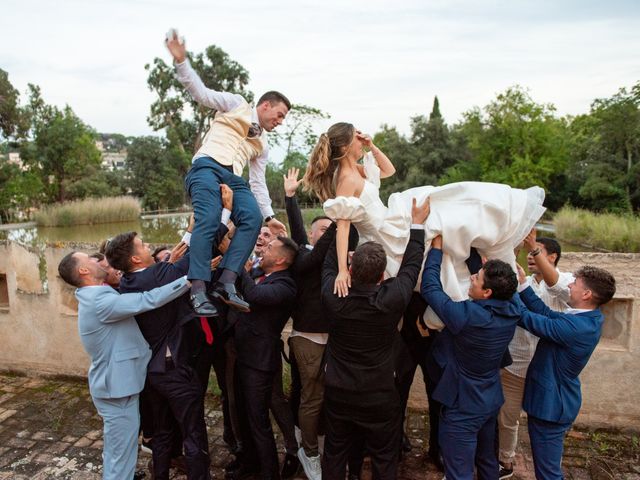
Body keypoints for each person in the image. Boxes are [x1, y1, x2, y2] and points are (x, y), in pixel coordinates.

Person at [302, 123, 545, 325]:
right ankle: (493, 233)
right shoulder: (345, 178)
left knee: (439, 200)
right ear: (345, 146)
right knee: (439, 214)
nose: (360, 139)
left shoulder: (355, 170)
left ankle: (496, 218)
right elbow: (343, 227)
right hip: (383, 235)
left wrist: (371, 146)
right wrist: (344, 270)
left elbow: (388, 170)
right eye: (356, 137)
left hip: (389, 219)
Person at [165, 29, 289, 316]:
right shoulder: (237, 104)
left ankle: (227, 282)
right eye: (279, 114)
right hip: (207, 166)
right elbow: (202, 94)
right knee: (207, 218)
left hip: (233, 179)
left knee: (252, 218)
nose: (280, 121)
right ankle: (197, 288)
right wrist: (182, 62)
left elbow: (257, 183)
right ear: (265, 105)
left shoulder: (264, 144)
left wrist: (270, 217)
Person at [320, 197, 429, 480]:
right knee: (383, 456)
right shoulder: (392, 300)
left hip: (338, 391)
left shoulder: (334, 296)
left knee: (334, 451)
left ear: (351, 271)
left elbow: (330, 262)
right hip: (379, 394)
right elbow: (411, 266)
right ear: (383, 275)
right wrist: (417, 225)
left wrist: (342, 221)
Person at [57, 251, 190, 480]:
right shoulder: (99, 300)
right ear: (83, 270)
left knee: (118, 452)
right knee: (122, 457)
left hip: (117, 385)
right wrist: (190, 279)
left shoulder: (94, 293)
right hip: (116, 388)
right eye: (90, 260)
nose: (98, 261)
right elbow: (148, 299)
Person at [107, 231, 212, 480]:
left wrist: (187, 233)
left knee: (163, 433)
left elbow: (167, 267)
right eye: (143, 246)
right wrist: (221, 215)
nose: (148, 247)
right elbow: (202, 248)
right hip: (173, 370)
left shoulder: (126, 283)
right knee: (193, 433)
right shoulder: (160, 275)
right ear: (135, 258)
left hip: (150, 373)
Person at [421, 233, 520, 480]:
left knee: (459, 472)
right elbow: (493, 282)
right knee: (487, 461)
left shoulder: (466, 316)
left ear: (486, 292)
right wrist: (474, 255)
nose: (472, 278)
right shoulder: (513, 307)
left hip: (463, 407)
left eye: (476, 278)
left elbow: (430, 287)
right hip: (490, 400)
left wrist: (436, 250)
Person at [515, 264, 616, 480]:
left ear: (587, 294)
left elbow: (529, 319)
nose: (568, 285)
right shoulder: (587, 317)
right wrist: (523, 283)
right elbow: (546, 314)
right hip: (556, 401)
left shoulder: (576, 328)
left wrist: (506, 289)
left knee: (549, 474)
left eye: (574, 284)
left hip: (551, 406)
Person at [498, 229, 574, 479]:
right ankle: (505, 461)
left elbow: (555, 284)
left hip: (547, 371)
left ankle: (551, 467)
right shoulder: (524, 283)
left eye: (537, 252)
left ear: (553, 257)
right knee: (507, 417)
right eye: (530, 252)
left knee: (545, 426)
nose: (531, 256)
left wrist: (532, 246)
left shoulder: (566, 284)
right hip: (516, 365)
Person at [232, 236, 299, 480]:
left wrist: (238, 263)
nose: (264, 248)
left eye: (270, 248)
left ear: (280, 259)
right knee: (250, 416)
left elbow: (255, 296)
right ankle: (252, 464)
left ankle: (270, 473)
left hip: (259, 361)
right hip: (247, 355)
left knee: (258, 421)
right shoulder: (263, 272)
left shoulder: (286, 285)